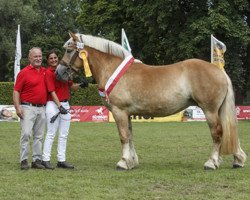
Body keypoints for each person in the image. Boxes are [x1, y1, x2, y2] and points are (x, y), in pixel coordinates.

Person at [42, 50, 88, 170]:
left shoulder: (64, 71)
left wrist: (81, 86)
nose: (53, 60)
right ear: (47, 61)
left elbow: (71, 87)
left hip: (65, 105)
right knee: (51, 133)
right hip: (53, 105)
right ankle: (45, 159)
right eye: (51, 58)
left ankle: (61, 160)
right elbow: (51, 91)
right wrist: (59, 106)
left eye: (55, 58)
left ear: (58, 58)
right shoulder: (48, 73)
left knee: (63, 134)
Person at [13, 47, 47, 170]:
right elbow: (16, 91)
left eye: (40, 56)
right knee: (26, 134)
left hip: (42, 108)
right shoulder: (23, 72)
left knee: (39, 136)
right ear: (30, 58)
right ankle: (23, 160)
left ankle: (37, 160)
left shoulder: (45, 71)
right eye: (35, 56)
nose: (38, 58)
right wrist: (17, 107)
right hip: (27, 107)